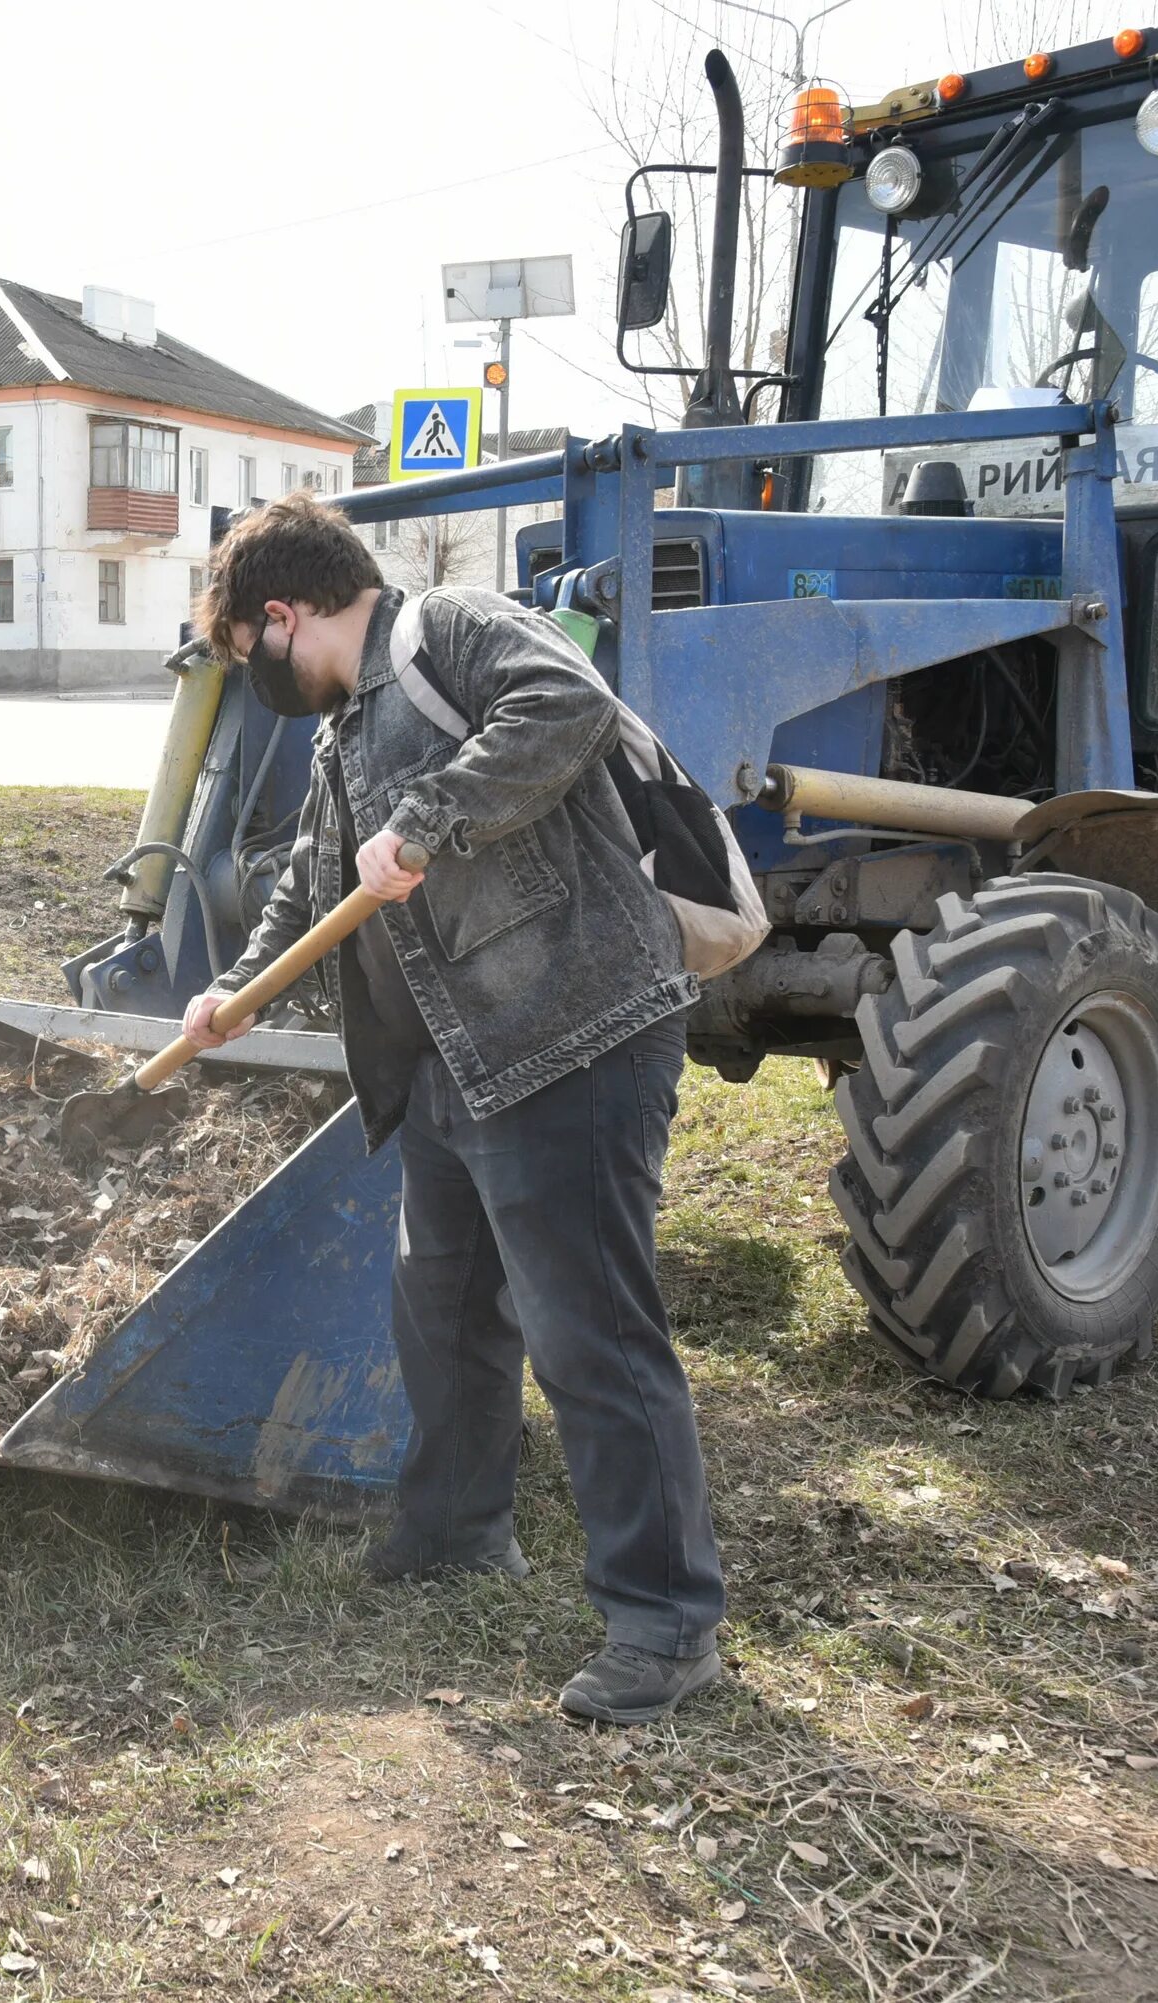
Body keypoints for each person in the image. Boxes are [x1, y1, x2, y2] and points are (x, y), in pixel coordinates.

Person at [179, 495, 727, 1726]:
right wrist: (232, 992)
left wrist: (426, 819)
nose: (253, 676)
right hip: (452, 1072)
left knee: (593, 1334)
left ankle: (666, 1621)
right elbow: (313, 892)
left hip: (570, 1039)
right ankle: (455, 1532)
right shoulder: (342, 736)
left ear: (284, 614)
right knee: (446, 1316)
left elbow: (568, 705)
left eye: (243, 654)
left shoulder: (458, 627)